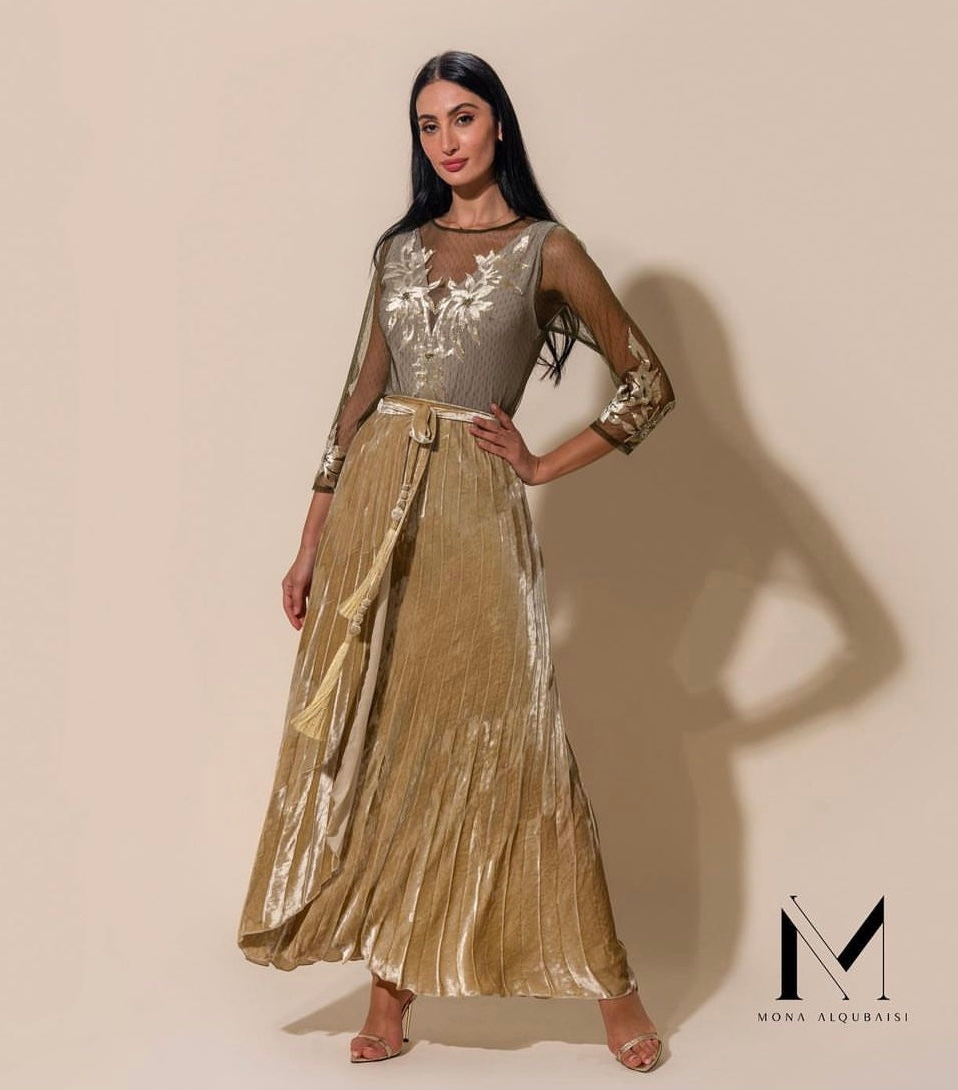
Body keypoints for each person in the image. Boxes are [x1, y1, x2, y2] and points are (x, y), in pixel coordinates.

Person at [236, 50, 677, 1073]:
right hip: (373, 505)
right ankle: (391, 991)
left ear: (499, 126)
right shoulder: (396, 250)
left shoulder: (546, 249)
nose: (446, 140)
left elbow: (647, 384)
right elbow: (355, 399)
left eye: (463, 117)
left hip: (473, 509)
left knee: (517, 742)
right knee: (392, 739)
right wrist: (309, 544)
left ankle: (611, 988)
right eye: (428, 123)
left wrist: (541, 463)